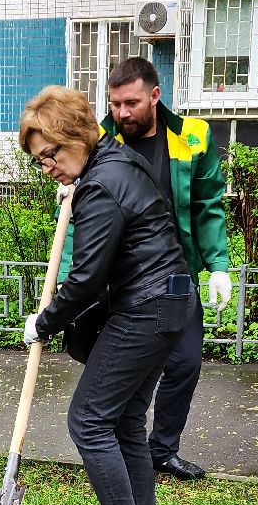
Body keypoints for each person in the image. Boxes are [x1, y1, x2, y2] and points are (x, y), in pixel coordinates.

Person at [21, 85, 196, 505]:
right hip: (170, 302)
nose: (47, 166)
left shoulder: (100, 185)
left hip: (144, 306)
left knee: (89, 420)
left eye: (50, 154)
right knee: (123, 421)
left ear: (76, 136)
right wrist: (77, 190)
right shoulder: (118, 163)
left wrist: (45, 321)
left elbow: (88, 276)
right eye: (39, 161)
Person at [59, 56, 232, 481]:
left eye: (131, 103)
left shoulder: (193, 137)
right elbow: (80, 224)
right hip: (114, 284)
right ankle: (115, 441)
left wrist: (219, 266)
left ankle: (162, 449)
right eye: (115, 104)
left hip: (174, 277)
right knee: (123, 370)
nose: (121, 113)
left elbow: (209, 206)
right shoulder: (95, 141)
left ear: (155, 96)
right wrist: (69, 275)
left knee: (185, 363)